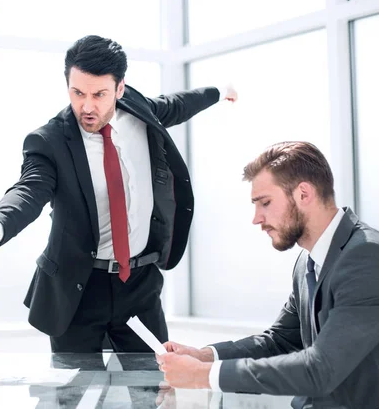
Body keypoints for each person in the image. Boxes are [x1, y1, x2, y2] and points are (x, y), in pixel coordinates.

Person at [0, 35, 237, 353]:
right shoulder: (50, 140)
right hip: (78, 289)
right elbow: (29, 190)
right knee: (68, 398)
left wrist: (221, 92)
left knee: (151, 392)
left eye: (99, 94)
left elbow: (177, 105)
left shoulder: (139, 111)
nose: (87, 106)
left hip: (139, 285)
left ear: (120, 89)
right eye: (77, 92)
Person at [157, 141, 379, 409]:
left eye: (265, 203)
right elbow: (280, 341)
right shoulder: (307, 262)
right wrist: (204, 357)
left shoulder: (366, 256)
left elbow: (321, 369)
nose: (256, 218)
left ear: (304, 194)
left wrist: (203, 375)